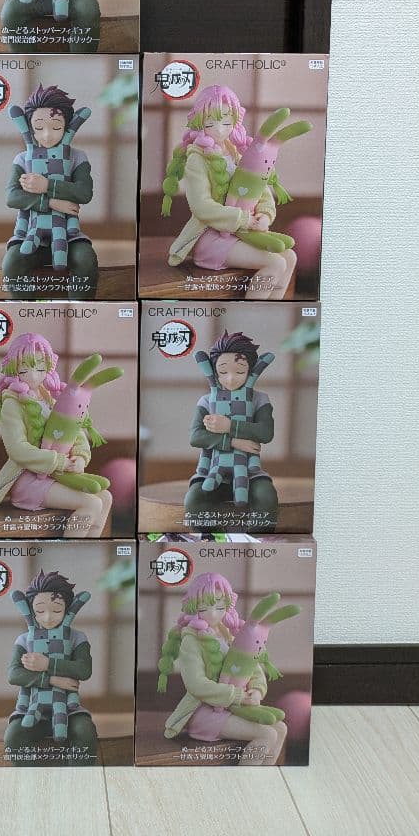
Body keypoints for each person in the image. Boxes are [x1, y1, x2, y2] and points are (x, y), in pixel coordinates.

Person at [162, 84, 297, 300]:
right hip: (211, 238)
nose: (219, 130)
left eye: (226, 123)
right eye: (210, 123)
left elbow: (259, 189)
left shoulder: (237, 150)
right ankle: (252, 314)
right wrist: (243, 219)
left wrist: (264, 215)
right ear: (199, 121)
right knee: (275, 263)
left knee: (289, 257)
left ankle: (273, 310)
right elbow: (201, 206)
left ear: (235, 121)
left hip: (242, 233)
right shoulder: (197, 158)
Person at [0, 333, 111, 537]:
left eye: (40, 369)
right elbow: (17, 449)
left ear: (49, 367)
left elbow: (74, 431)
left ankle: (89, 547)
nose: (33, 376)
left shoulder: (51, 396)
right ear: (13, 368)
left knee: (106, 497)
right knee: (91, 503)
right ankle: (69, 552)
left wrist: (80, 457)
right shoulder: (12, 403)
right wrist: (59, 461)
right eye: (25, 369)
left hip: (58, 476)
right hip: (28, 480)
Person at [157, 572, 287, 766]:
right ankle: (246, 781)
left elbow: (253, 667)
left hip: (236, 707)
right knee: (267, 734)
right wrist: (237, 695)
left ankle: (265, 776)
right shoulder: (191, 640)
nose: (213, 614)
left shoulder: (231, 634)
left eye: (219, 607)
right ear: (193, 606)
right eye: (204, 607)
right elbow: (196, 684)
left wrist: (257, 690)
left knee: (281, 728)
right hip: (204, 712)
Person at [2, 84, 99, 298]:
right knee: (12, 263)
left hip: (69, 235)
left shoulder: (77, 156)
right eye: (39, 128)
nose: (47, 135)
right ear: (29, 126)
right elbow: (12, 196)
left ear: (67, 126)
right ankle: (26, 310)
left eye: (56, 127)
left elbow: (84, 193)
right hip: (30, 233)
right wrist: (51, 203)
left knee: (86, 260)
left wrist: (47, 185)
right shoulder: (22, 159)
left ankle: (80, 311)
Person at [185, 329, 279, 526]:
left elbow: (265, 433)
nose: (230, 379)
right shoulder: (206, 400)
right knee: (194, 499)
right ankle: (208, 538)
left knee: (266, 496)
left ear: (251, 371)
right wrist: (233, 441)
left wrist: (229, 425)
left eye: (240, 372)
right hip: (211, 469)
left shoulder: (260, 399)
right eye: (223, 372)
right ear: (213, 371)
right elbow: (196, 437)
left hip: (250, 472)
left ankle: (257, 539)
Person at [5, 570, 98, 765]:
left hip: (68, 708)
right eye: (40, 611)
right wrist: (51, 679)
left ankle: (79, 779)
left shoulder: (77, 637)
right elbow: (14, 674)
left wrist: (47, 664)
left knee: (85, 731)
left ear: (68, 609)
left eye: (56, 611)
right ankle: (29, 779)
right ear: (31, 609)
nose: (48, 618)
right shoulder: (24, 639)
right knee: (13, 735)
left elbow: (84, 670)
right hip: (31, 707)